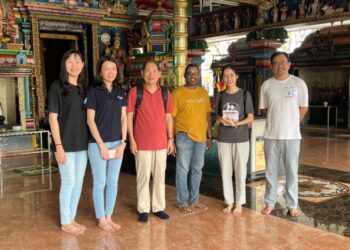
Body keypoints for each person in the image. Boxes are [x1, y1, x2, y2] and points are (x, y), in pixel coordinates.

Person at [259, 52, 309, 217]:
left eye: (283, 62)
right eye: (276, 63)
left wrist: (293, 123)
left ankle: (292, 204)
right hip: (271, 135)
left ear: (289, 64)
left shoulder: (298, 83)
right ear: (271, 65)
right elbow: (265, 109)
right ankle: (270, 203)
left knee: (292, 171)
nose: (280, 66)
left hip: (292, 136)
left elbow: (303, 107)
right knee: (270, 171)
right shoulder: (266, 85)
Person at [127, 61, 174, 222]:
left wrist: (170, 139)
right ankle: (143, 208)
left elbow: (168, 118)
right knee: (143, 177)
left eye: (154, 71)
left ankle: (158, 207)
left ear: (160, 74)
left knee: (160, 176)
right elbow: (128, 117)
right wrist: (131, 140)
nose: (151, 74)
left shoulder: (166, 93)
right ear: (142, 74)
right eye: (147, 71)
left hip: (161, 143)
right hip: (141, 143)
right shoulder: (135, 92)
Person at [48, 49, 88, 235]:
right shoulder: (57, 87)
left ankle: (71, 217)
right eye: (70, 61)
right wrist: (58, 146)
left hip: (82, 144)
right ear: (65, 64)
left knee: (78, 182)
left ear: (83, 65)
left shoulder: (83, 88)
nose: (74, 65)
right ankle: (65, 221)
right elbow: (53, 118)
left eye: (78, 61)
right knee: (69, 180)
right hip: (64, 144)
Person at [86, 55, 127, 232]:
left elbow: (124, 118)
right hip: (97, 145)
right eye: (106, 69)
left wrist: (123, 142)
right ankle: (101, 218)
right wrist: (101, 145)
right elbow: (90, 121)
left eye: (113, 68)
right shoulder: (93, 91)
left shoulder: (121, 92)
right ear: (100, 72)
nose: (110, 72)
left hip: (118, 143)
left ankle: (109, 216)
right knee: (100, 182)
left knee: (113, 182)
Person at [172, 64, 212, 214]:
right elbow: (172, 117)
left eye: (195, 73)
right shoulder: (178, 93)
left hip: (201, 137)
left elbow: (208, 114)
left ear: (199, 75)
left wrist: (209, 135)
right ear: (185, 75)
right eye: (189, 73)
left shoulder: (203, 93)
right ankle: (182, 202)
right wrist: (171, 138)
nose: (192, 76)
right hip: (183, 136)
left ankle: (194, 200)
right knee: (182, 170)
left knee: (197, 169)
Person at [215, 65, 254, 215]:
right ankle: (229, 202)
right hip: (224, 137)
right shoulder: (220, 95)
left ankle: (239, 203)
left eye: (231, 75)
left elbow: (250, 117)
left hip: (241, 138)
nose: (228, 78)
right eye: (225, 76)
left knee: (240, 170)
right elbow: (218, 115)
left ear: (237, 76)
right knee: (225, 171)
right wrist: (222, 119)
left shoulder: (245, 95)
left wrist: (237, 123)